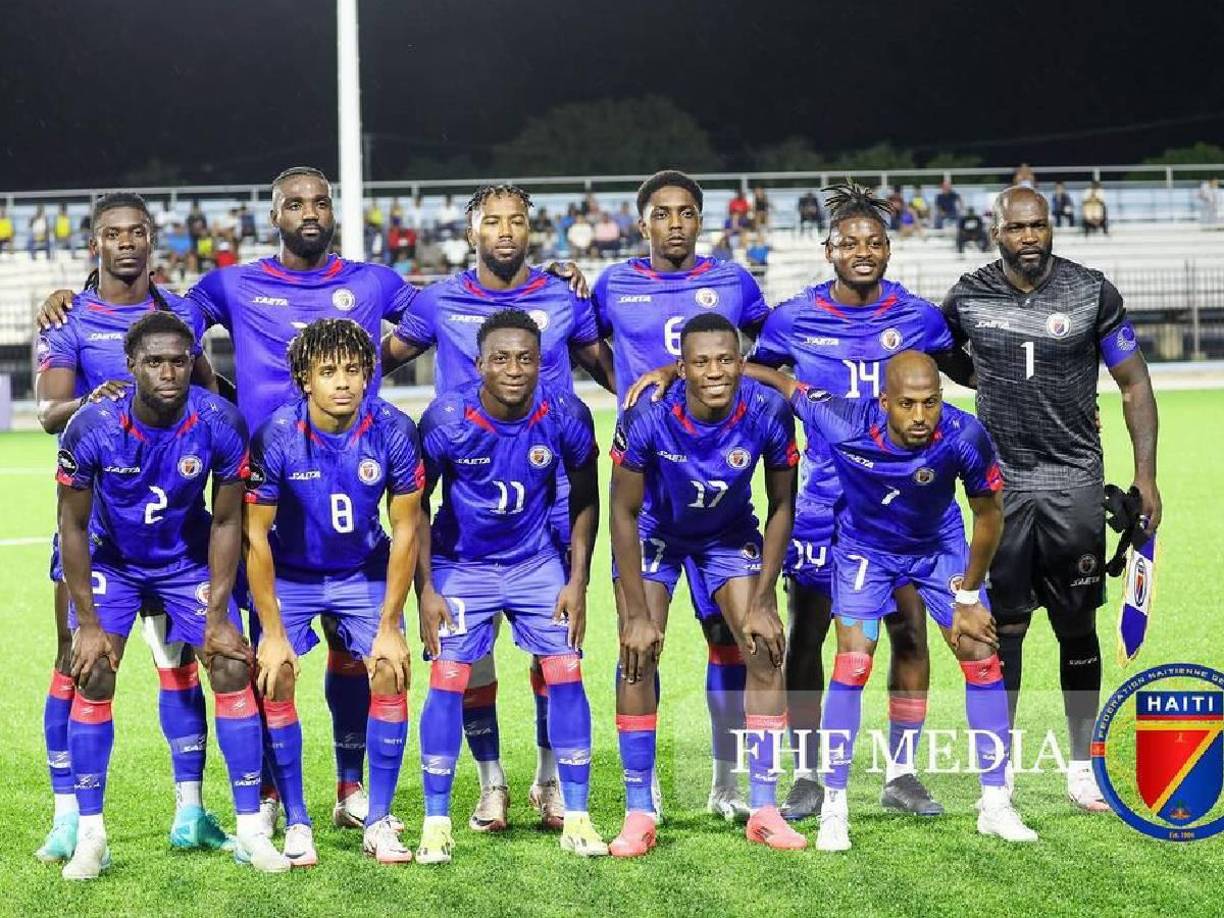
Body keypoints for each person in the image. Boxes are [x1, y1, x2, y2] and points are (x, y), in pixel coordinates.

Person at [383, 183, 614, 834]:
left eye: (517, 220)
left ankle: (551, 780)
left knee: (556, 652)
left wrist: (654, 388)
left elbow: (605, 365)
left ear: (532, 229)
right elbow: (382, 359)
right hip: (470, 485)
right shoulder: (440, 299)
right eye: (493, 221)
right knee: (470, 657)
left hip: (552, 483)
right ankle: (492, 785)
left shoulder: (563, 295)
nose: (505, 231)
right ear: (472, 232)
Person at [740, 183, 971, 821]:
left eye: (873, 243)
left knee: (909, 633)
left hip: (900, 508)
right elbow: (761, 390)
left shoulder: (921, 317)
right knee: (810, 635)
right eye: (849, 243)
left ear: (890, 249)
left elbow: (966, 378)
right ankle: (810, 775)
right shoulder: (792, 319)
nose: (862, 252)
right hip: (820, 505)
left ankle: (902, 774)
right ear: (828, 250)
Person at [747, 351, 1036, 850]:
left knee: (979, 655)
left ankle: (995, 804)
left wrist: (968, 593)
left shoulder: (964, 436)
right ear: (884, 402)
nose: (921, 417)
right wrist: (676, 371)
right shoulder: (840, 419)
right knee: (854, 663)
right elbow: (783, 383)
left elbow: (989, 516)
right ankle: (835, 809)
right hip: (865, 550)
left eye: (930, 403)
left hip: (938, 548)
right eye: (907, 404)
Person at [941, 185, 1161, 811]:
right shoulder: (967, 294)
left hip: (1073, 482)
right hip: (998, 488)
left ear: (1050, 227)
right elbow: (940, 352)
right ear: (996, 231)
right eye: (1017, 228)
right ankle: (1000, 770)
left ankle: (1081, 767)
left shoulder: (1093, 291)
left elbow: (1134, 382)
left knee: (1076, 627)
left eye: (1038, 226)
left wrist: (1145, 477)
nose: (1029, 238)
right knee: (1002, 629)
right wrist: (981, 374)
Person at [55, 311, 289, 877]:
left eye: (179, 361)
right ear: (131, 365)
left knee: (231, 666)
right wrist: (86, 622)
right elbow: (72, 528)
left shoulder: (221, 423)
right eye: (155, 361)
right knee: (93, 670)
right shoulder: (91, 427)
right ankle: (91, 836)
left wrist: (217, 614)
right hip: (115, 559)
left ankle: (250, 832)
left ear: (193, 363)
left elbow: (228, 522)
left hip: (185, 560)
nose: (168, 372)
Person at [33, 192, 220, 865]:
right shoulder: (69, 318)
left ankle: (191, 811)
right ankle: (67, 819)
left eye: (137, 231)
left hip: (174, 530)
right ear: (96, 243)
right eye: (112, 233)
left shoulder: (179, 315)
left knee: (181, 670)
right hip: (100, 530)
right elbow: (48, 411)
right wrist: (91, 398)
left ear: (153, 238)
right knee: (75, 664)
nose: (126, 243)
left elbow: (213, 396)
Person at [595, 170, 771, 822]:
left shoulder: (733, 282)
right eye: (662, 213)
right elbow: (588, 345)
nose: (675, 223)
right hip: (647, 491)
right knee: (640, 642)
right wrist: (631, 389)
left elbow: (768, 352)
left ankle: (727, 778)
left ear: (701, 220)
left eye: (687, 212)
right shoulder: (616, 284)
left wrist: (676, 372)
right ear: (642, 223)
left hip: (719, 495)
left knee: (730, 640)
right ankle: (646, 794)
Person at [414, 310, 607, 863]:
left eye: (527, 357)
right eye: (501, 358)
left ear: (543, 362)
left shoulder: (566, 413)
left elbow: (586, 498)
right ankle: (436, 822)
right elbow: (416, 507)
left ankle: (577, 815)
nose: (515, 368)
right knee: (450, 677)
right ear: (478, 364)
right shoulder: (445, 419)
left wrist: (577, 580)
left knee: (565, 668)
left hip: (534, 563)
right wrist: (426, 589)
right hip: (462, 565)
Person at [609, 312, 804, 856]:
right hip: (656, 531)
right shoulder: (648, 414)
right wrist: (633, 612)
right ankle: (639, 810)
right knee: (638, 652)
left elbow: (783, 504)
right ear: (682, 367)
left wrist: (764, 598)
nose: (714, 371)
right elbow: (621, 512)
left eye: (725, 359)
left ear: (742, 364)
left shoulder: (767, 411)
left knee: (765, 646)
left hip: (726, 531)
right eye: (701, 362)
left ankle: (763, 808)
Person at [244, 319, 422, 867]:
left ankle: (376, 818)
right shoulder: (275, 435)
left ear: (368, 374)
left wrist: (391, 625)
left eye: (352, 370)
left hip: (361, 570)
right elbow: (254, 536)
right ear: (305, 379)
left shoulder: (392, 429)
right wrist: (273, 634)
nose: (342, 383)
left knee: (391, 668)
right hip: (292, 574)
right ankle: (296, 819)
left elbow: (408, 529)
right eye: (328, 372)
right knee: (275, 675)